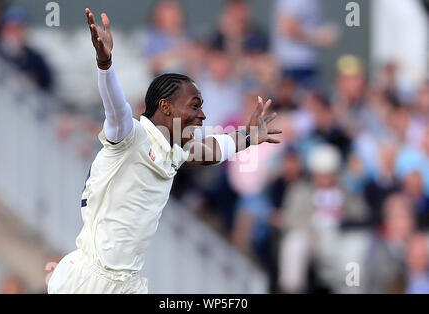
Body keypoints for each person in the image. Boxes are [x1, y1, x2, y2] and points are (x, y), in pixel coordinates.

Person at [47, 9, 282, 294]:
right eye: (194, 106)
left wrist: (247, 136)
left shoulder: (174, 151)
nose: (202, 115)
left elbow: (209, 151)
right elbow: (116, 106)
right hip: (87, 282)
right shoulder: (129, 135)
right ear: (166, 108)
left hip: (128, 284)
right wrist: (105, 63)